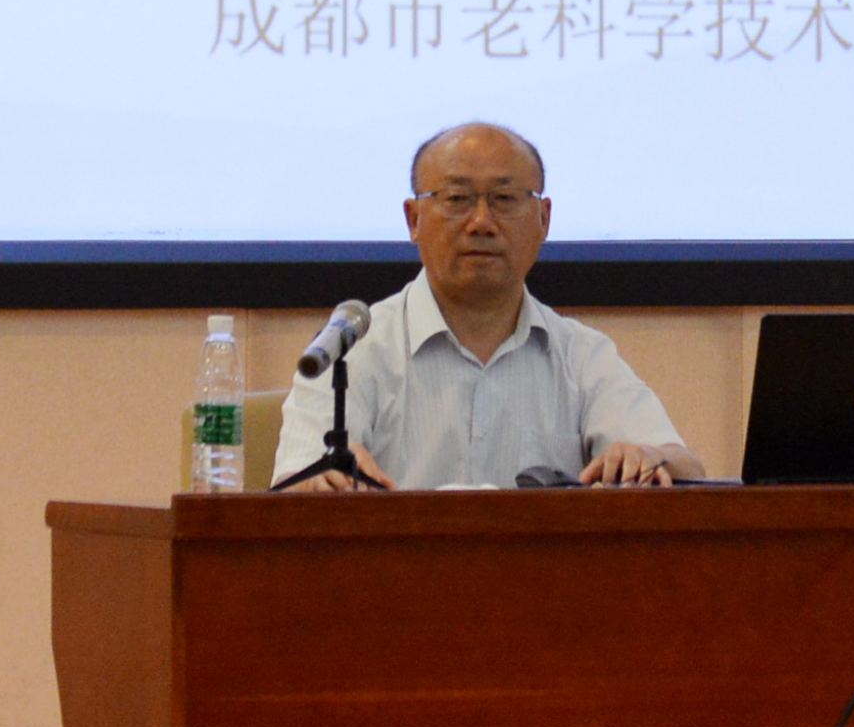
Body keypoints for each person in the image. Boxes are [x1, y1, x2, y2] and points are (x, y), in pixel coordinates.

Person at [274, 122, 705, 491]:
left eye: (504, 199)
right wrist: (322, 479)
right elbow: (294, 481)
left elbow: (686, 467)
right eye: (457, 199)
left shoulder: (582, 354)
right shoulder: (354, 350)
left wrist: (649, 457)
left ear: (544, 219)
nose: (481, 222)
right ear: (413, 219)